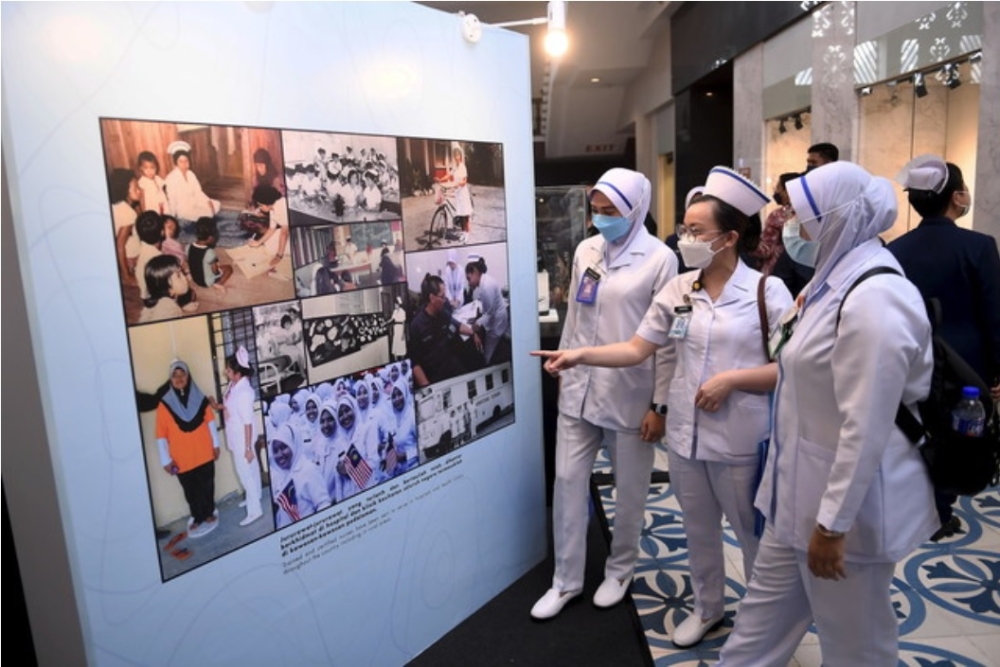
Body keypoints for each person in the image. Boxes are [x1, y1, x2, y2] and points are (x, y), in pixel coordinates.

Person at [534, 168, 792, 647]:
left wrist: (717, 386)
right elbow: (640, 345)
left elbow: (793, 367)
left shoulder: (764, 292)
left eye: (697, 231)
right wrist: (576, 356)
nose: (685, 239)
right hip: (681, 433)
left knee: (751, 534)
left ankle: (761, 626)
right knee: (696, 530)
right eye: (685, 229)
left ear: (730, 237)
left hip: (732, 434)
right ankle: (707, 606)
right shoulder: (681, 290)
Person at [714, 162, 937, 666]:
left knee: (856, 647)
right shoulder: (828, 281)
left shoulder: (876, 297)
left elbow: (867, 426)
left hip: (844, 518)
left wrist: (833, 526)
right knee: (754, 635)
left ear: (837, 219)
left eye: (800, 215)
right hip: (793, 500)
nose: (788, 224)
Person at [529, 168, 678, 621]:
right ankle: (566, 580)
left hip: (631, 393)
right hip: (578, 387)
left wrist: (660, 405)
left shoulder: (659, 259)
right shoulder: (585, 249)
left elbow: (668, 340)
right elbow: (576, 311)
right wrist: (563, 359)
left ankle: (620, 570)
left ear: (634, 210)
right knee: (568, 483)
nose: (600, 220)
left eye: (610, 212)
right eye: (595, 211)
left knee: (629, 490)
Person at [889, 154, 1000, 541]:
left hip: (914, 359)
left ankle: (926, 507)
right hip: (968, 364)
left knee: (920, 432)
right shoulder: (979, 246)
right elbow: (993, 311)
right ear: (956, 197)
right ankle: (942, 508)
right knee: (961, 436)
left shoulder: (896, 250)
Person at [156, 360, 221, 538]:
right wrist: (165, 460)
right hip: (182, 458)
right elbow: (161, 435)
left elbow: (210, 422)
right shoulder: (164, 405)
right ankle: (197, 516)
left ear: (188, 376)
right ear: (170, 379)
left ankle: (209, 513)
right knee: (190, 490)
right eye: (175, 375)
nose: (179, 378)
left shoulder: (200, 398)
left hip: (204, 452)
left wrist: (215, 444)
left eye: (182, 374)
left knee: (207, 486)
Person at [218, 347, 264, 526]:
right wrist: (219, 406)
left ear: (237, 373)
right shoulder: (234, 385)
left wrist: (247, 449)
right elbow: (230, 405)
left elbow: (247, 423)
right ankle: (256, 496)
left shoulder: (244, 392)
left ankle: (255, 510)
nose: (225, 372)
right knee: (251, 471)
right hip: (236, 435)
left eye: (228, 370)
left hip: (243, 439)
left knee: (245, 473)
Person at [410, 274, 480, 387]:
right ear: (432, 298)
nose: (445, 300)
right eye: (442, 297)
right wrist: (427, 387)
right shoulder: (417, 325)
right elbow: (415, 363)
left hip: (450, 363)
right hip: (434, 373)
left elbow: (457, 325)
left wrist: (474, 333)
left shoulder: (442, 313)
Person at [269, 423, 331, 528]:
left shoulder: (308, 470)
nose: (280, 454)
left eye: (284, 447)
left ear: (293, 444)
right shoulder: (281, 475)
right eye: (275, 451)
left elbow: (323, 504)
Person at [465, 256, 511, 366]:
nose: (469, 282)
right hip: (496, 316)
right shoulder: (485, 281)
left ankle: (487, 364)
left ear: (475, 272)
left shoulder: (486, 286)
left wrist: (477, 323)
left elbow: (489, 314)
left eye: (469, 278)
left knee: (488, 352)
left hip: (497, 321)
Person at [751, 172, 798, 276]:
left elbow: (766, 250)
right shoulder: (807, 213)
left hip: (775, 271)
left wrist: (747, 245)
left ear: (787, 191)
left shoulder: (777, 216)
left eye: (778, 188)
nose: (776, 192)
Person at [164, 140, 219, 221]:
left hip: (195, 202)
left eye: (186, 161)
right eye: (181, 161)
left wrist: (208, 201)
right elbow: (172, 199)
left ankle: (204, 214)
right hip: (183, 208)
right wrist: (172, 216)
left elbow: (198, 192)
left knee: (216, 205)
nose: (184, 164)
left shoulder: (191, 174)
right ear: (176, 163)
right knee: (208, 214)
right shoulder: (171, 178)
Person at [248, 184, 290, 278]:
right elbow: (272, 228)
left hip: (295, 233)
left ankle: (285, 256)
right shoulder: (272, 206)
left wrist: (279, 256)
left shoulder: (282, 206)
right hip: (286, 231)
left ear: (267, 203)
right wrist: (258, 242)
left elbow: (284, 233)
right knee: (268, 245)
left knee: (278, 250)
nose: (259, 208)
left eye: (260, 205)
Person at [110, 168, 142, 286]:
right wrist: (127, 276)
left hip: (126, 256)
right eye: (135, 188)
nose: (139, 191)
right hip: (131, 258)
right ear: (125, 191)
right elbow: (120, 245)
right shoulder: (128, 213)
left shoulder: (117, 206)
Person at [139, 255, 191, 323]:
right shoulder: (169, 311)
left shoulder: (160, 300)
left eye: (182, 273)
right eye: (178, 276)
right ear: (168, 289)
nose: (185, 278)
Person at [437, 146, 473, 242]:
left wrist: (457, 184)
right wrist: (441, 179)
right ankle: (463, 232)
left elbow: (464, 181)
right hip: (458, 194)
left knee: (465, 215)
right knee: (461, 214)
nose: (456, 157)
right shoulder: (455, 167)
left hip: (463, 193)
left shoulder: (462, 167)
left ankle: (467, 235)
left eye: (457, 155)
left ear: (460, 156)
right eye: (454, 155)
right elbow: (449, 175)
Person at [188, 217, 233, 293]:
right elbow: (214, 270)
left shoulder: (188, 247)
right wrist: (219, 273)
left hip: (195, 278)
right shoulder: (209, 252)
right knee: (229, 268)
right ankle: (219, 284)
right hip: (207, 282)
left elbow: (188, 260)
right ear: (210, 238)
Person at [137, 150, 169, 215]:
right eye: (146, 168)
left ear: (156, 167)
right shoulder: (143, 181)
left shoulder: (158, 178)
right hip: (151, 207)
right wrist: (144, 212)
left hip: (162, 205)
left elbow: (163, 190)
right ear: (141, 168)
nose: (149, 171)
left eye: (152, 167)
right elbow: (142, 200)